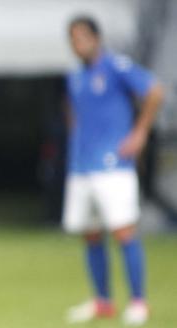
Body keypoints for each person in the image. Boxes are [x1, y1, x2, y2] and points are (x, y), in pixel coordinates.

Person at [63, 16, 164, 326]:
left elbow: (155, 90)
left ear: (96, 37)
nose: (77, 44)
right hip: (82, 165)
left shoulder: (117, 66)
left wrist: (139, 133)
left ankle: (138, 301)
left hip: (113, 165)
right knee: (91, 234)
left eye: (82, 37)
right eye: (73, 38)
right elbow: (76, 114)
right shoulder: (75, 77)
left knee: (123, 231)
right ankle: (102, 301)